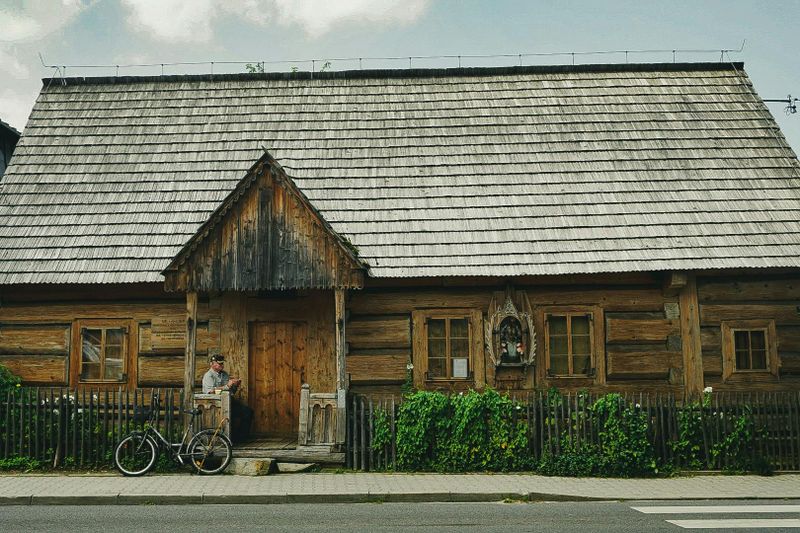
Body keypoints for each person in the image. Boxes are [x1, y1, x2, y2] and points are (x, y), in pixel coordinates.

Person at [202, 352, 253, 442]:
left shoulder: (224, 374)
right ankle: (233, 439)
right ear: (212, 364)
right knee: (230, 416)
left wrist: (235, 385)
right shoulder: (208, 376)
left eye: (222, 363)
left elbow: (230, 391)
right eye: (219, 363)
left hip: (229, 401)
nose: (222, 365)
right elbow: (210, 391)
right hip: (216, 405)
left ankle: (241, 438)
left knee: (248, 412)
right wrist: (227, 386)